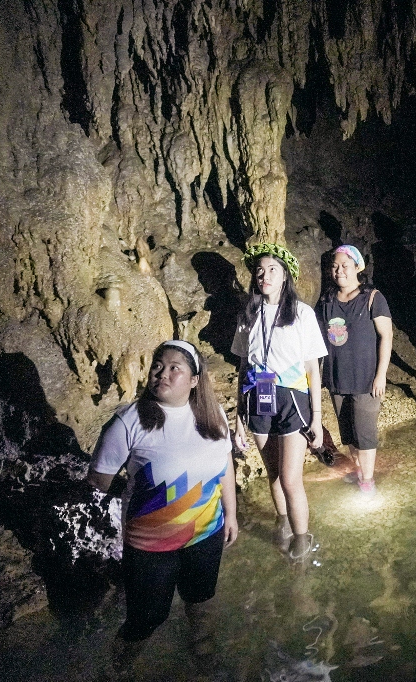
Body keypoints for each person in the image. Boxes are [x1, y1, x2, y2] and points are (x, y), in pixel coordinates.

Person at [87, 339, 238, 680]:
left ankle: (202, 652)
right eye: (158, 365)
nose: (163, 373)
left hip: (207, 531)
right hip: (150, 543)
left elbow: (225, 461)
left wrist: (232, 512)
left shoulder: (212, 418)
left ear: (195, 380)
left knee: (200, 602)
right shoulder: (130, 421)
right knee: (147, 618)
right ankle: (117, 670)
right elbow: (99, 481)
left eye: (175, 368)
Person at [231, 243, 327, 562]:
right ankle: (282, 520)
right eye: (259, 269)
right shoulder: (248, 315)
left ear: (285, 276)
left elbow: (313, 366)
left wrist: (316, 417)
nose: (264, 274)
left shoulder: (301, 313)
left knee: (289, 477)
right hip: (258, 394)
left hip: (292, 397)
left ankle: (302, 539)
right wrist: (237, 419)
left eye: (272, 269)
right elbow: (243, 366)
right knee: (273, 472)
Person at [316, 245, 393, 497]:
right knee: (347, 431)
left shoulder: (372, 298)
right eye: (335, 266)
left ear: (357, 268)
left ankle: (367, 481)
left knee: (365, 433)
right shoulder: (326, 300)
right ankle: (359, 471)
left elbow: (387, 336)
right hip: (337, 378)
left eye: (344, 266)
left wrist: (381, 374)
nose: (339, 271)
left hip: (366, 379)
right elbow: (317, 341)